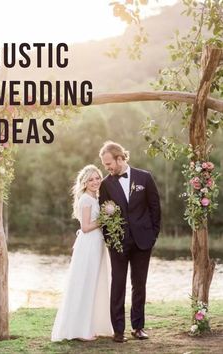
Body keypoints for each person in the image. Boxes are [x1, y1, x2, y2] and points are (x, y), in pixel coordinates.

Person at [99, 141, 161, 343]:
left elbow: (155, 208)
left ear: (120, 158)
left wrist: (153, 235)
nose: (106, 168)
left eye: (109, 163)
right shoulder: (106, 184)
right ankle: (118, 331)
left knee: (139, 284)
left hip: (143, 241)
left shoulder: (145, 177)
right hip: (118, 243)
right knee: (118, 284)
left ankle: (138, 327)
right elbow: (104, 215)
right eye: (104, 164)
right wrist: (111, 239)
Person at [51, 164, 113, 341]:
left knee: (94, 283)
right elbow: (85, 227)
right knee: (85, 283)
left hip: (97, 244)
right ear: (84, 183)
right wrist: (104, 220)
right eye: (91, 179)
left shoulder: (96, 198)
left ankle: (91, 325)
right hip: (88, 245)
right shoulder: (86, 199)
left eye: (97, 178)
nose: (95, 182)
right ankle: (79, 329)